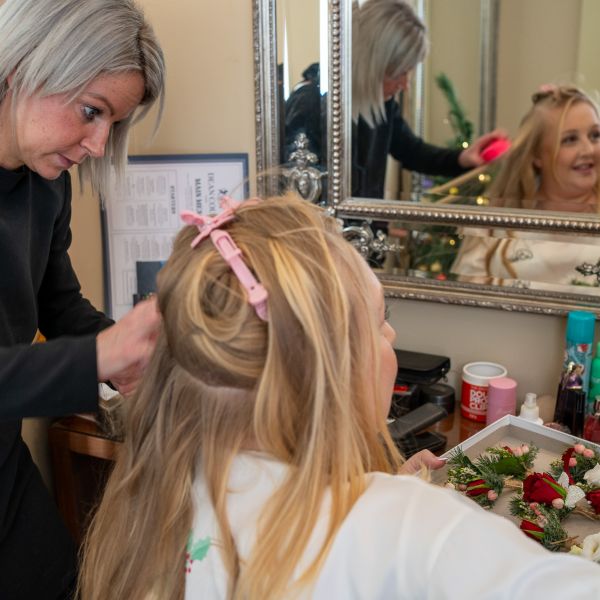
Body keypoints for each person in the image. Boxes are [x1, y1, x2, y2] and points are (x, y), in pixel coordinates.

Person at [80, 193, 600, 599]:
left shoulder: (154, 496)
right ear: (328, 374)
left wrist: (370, 492)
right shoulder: (409, 524)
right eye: (380, 324)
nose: (393, 339)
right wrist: (403, 508)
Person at [0, 0, 165, 597]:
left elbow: (58, 305)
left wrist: (140, 353)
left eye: (112, 124)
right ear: (24, 67)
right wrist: (100, 357)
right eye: (91, 112)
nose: (98, 144)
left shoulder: (45, 189)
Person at [284, 0, 503, 200]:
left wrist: (462, 158)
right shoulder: (309, 105)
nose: (405, 85)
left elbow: (413, 152)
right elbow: (299, 198)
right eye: (400, 73)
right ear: (373, 63)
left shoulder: (383, 106)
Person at [451, 86, 600, 290]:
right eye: (570, 140)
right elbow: (465, 304)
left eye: (595, 135)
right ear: (537, 155)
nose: (588, 149)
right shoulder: (493, 224)